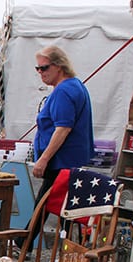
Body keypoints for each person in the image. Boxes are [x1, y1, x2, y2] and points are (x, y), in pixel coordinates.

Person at [20, 45, 94, 248]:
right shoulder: (75, 85)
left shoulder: (64, 91)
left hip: (61, 160)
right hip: (70, 159)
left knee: (44, 204)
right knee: (64, 207)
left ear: (58, 66)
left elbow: (63, 128)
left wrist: (43, 159)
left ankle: (23, 244)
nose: (40, 73)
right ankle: (66, 249)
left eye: (44, 68)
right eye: (38, 69)